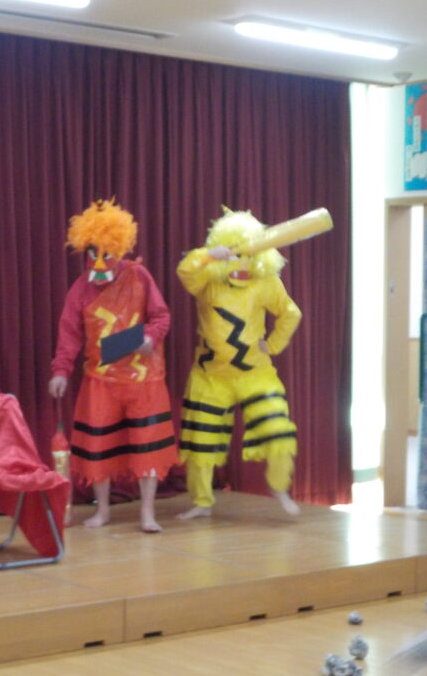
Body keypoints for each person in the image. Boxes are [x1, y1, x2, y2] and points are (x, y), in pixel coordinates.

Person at [48, 199, 179, 533]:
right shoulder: (80, 289)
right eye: (94, 253)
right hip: (101, 379)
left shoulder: (139, 276)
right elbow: (69, 334)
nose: (100, 261)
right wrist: (61, 371)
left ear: (119, 249)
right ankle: (103, 510)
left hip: (144, 378)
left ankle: (147, 512)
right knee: (98, 446)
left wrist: (150, 336)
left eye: (107, 253)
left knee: (148, 446)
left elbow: (162, 316)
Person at [176, 208, 302, 519]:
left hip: (255, 374)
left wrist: (273, 344)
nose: (241, 262)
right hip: (210, 377)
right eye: (234, 253)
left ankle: (279, 488)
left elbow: (290, 313)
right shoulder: (208, 278)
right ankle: (202, 502)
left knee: (277, 429)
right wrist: (208, 255)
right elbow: (186, 272)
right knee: (200, 443)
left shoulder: (266, 282)